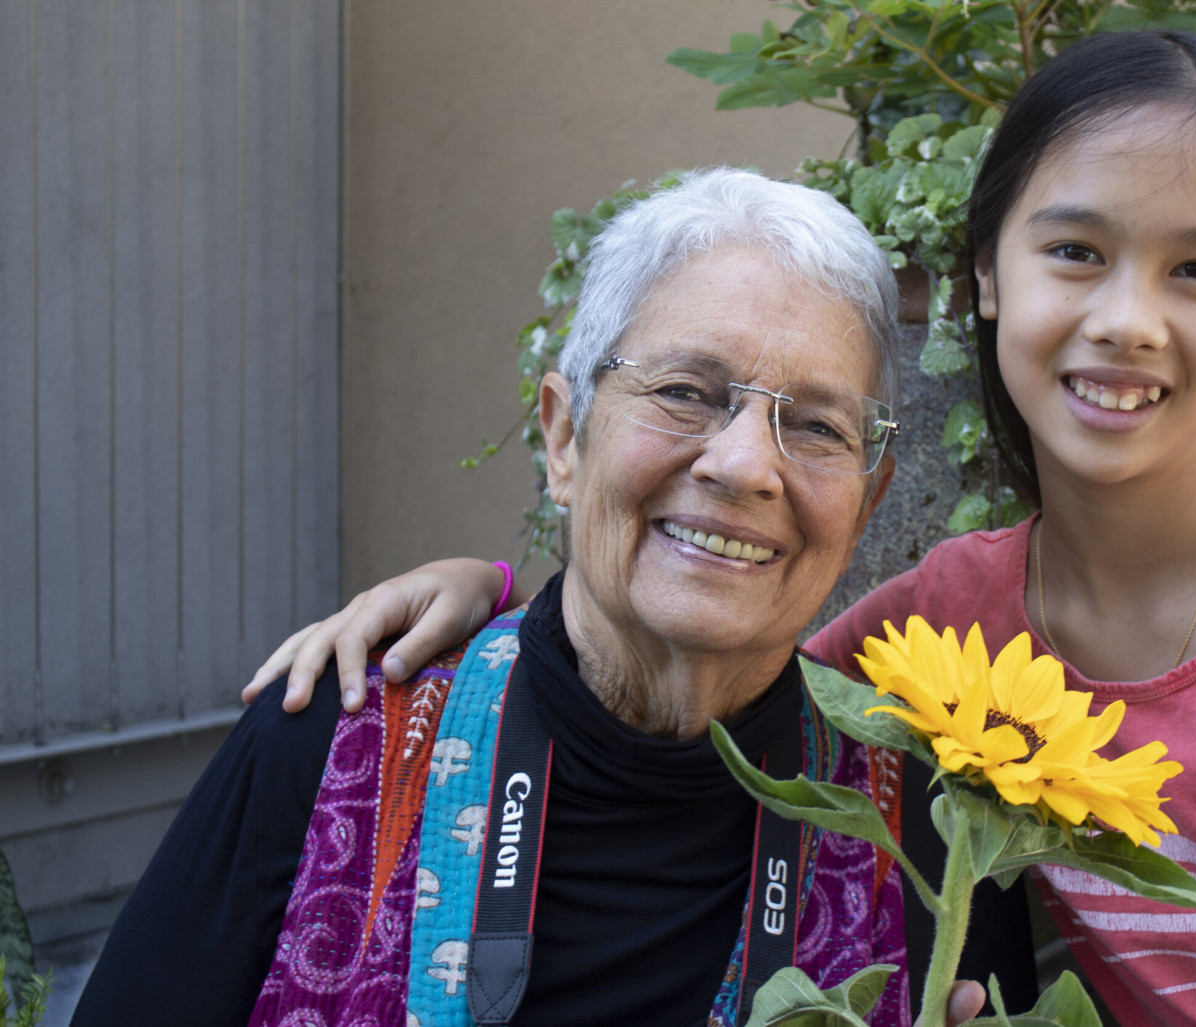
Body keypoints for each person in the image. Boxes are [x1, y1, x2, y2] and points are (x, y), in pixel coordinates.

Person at [247, 30, 1196, 1026]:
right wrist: (477, 592)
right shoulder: (928, 638)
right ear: (985, 275)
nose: (1129, 318)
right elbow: (687, 634)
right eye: (1076, 251)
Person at [73, 169, 1028, 1027]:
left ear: (864, 502)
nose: (744, 465)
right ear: (565, 438)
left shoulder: (937, 835)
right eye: (688, 390)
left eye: (816, 425)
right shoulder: (332, 737)